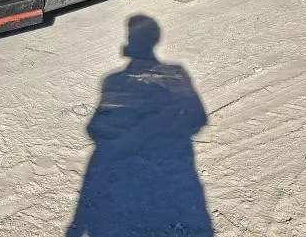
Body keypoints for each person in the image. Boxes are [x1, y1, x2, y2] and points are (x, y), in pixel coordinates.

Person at [66, 15, 213, 236]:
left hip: (127, 175)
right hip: (168, 168)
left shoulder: (113, 81)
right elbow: (198, 119)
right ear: (156, 39)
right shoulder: (176, 74)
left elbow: (94, 129)